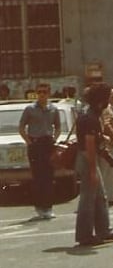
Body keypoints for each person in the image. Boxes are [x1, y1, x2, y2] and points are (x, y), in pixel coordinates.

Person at [74, 83, 113, 246]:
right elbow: (89, 144)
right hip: (88, 157)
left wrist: (104, 138)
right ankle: (85, 236)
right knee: (88, 199)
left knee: (100, 197)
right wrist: (92, 170)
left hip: (89, 156)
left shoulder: (91, 114)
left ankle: (104, 231)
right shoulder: (90, 117)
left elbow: (94, 137)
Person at [18, 83, 61, 220]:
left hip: (48, 143)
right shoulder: (30, 109)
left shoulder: (53, 109)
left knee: (49, 176)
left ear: (49, 94)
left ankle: (48, 207)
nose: (42, 94)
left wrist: (54, 139)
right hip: (35, 144)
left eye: (44, 92)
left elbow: (58, 127)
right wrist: (29, 142)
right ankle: (39, 206)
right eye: (39, 92)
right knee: (38, 176)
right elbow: (21, 127)